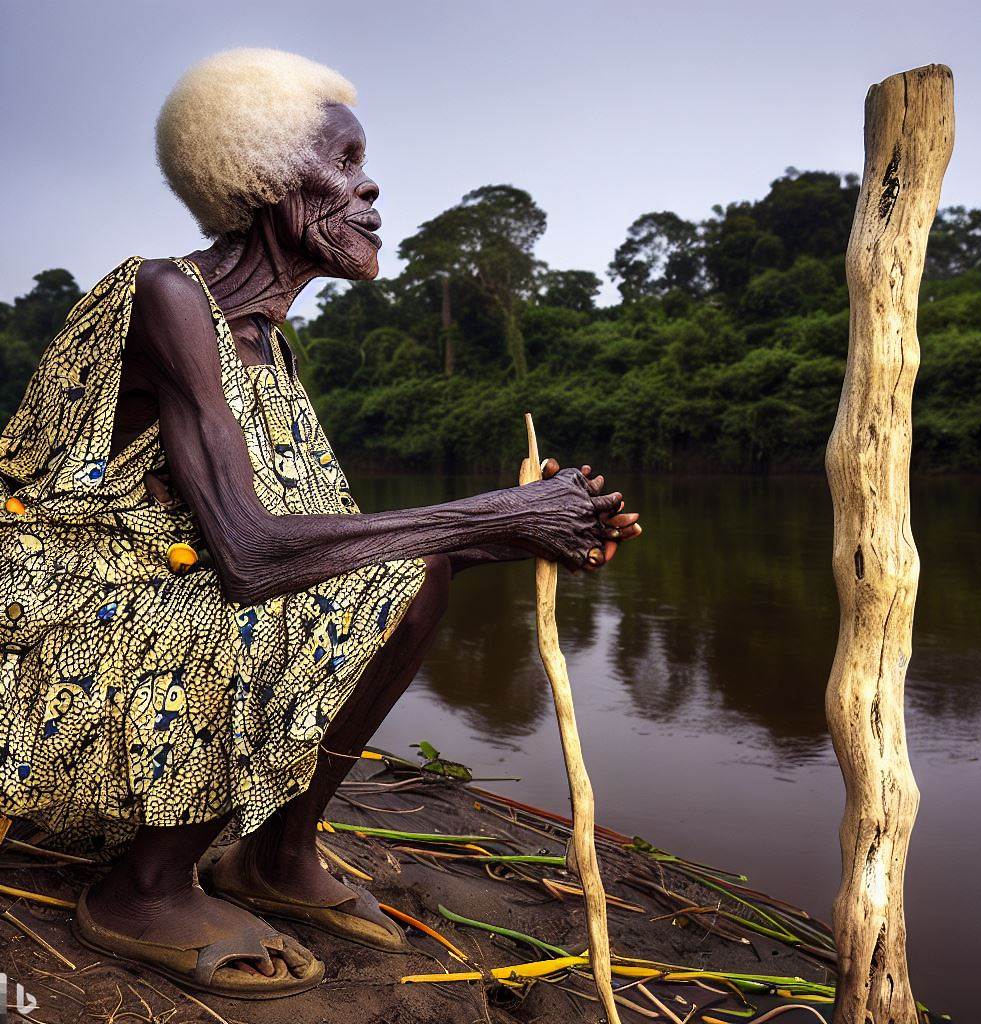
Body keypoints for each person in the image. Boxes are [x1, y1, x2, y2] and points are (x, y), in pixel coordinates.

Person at [0, 48, 640, 998]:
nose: (372, 185)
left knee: (410, 574)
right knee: (287, 593)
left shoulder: (269, 347)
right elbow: (255, 554)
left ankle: (273, 854)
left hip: (145, 592)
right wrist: (491, 509)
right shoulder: (165, 296)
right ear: (257, 176)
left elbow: (336, 543)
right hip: (46, 624)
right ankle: (140, 889)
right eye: (344, 161)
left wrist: (516, 533)